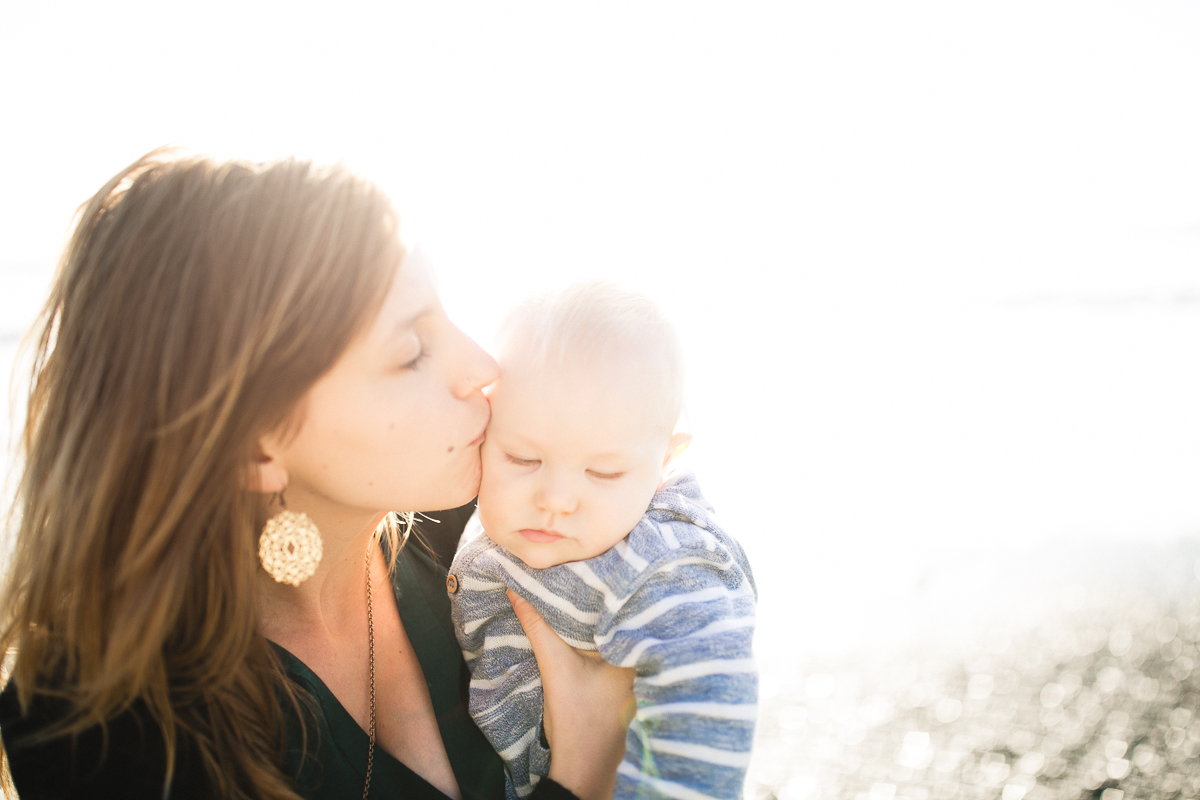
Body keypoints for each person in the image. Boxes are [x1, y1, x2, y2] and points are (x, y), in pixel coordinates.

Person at [0, 151, 633, 800]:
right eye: (412, 351)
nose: (482, 365)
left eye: (448, 315)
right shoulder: (102, 729)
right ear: (254, 448)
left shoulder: (495, 530)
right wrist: (583, 769)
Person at [448, 283, 758, 800]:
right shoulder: (484, 523)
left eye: (604, 472)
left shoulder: (664, 565)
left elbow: (706, 721)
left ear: (664, 463)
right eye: (522, 459)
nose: (556, 499)